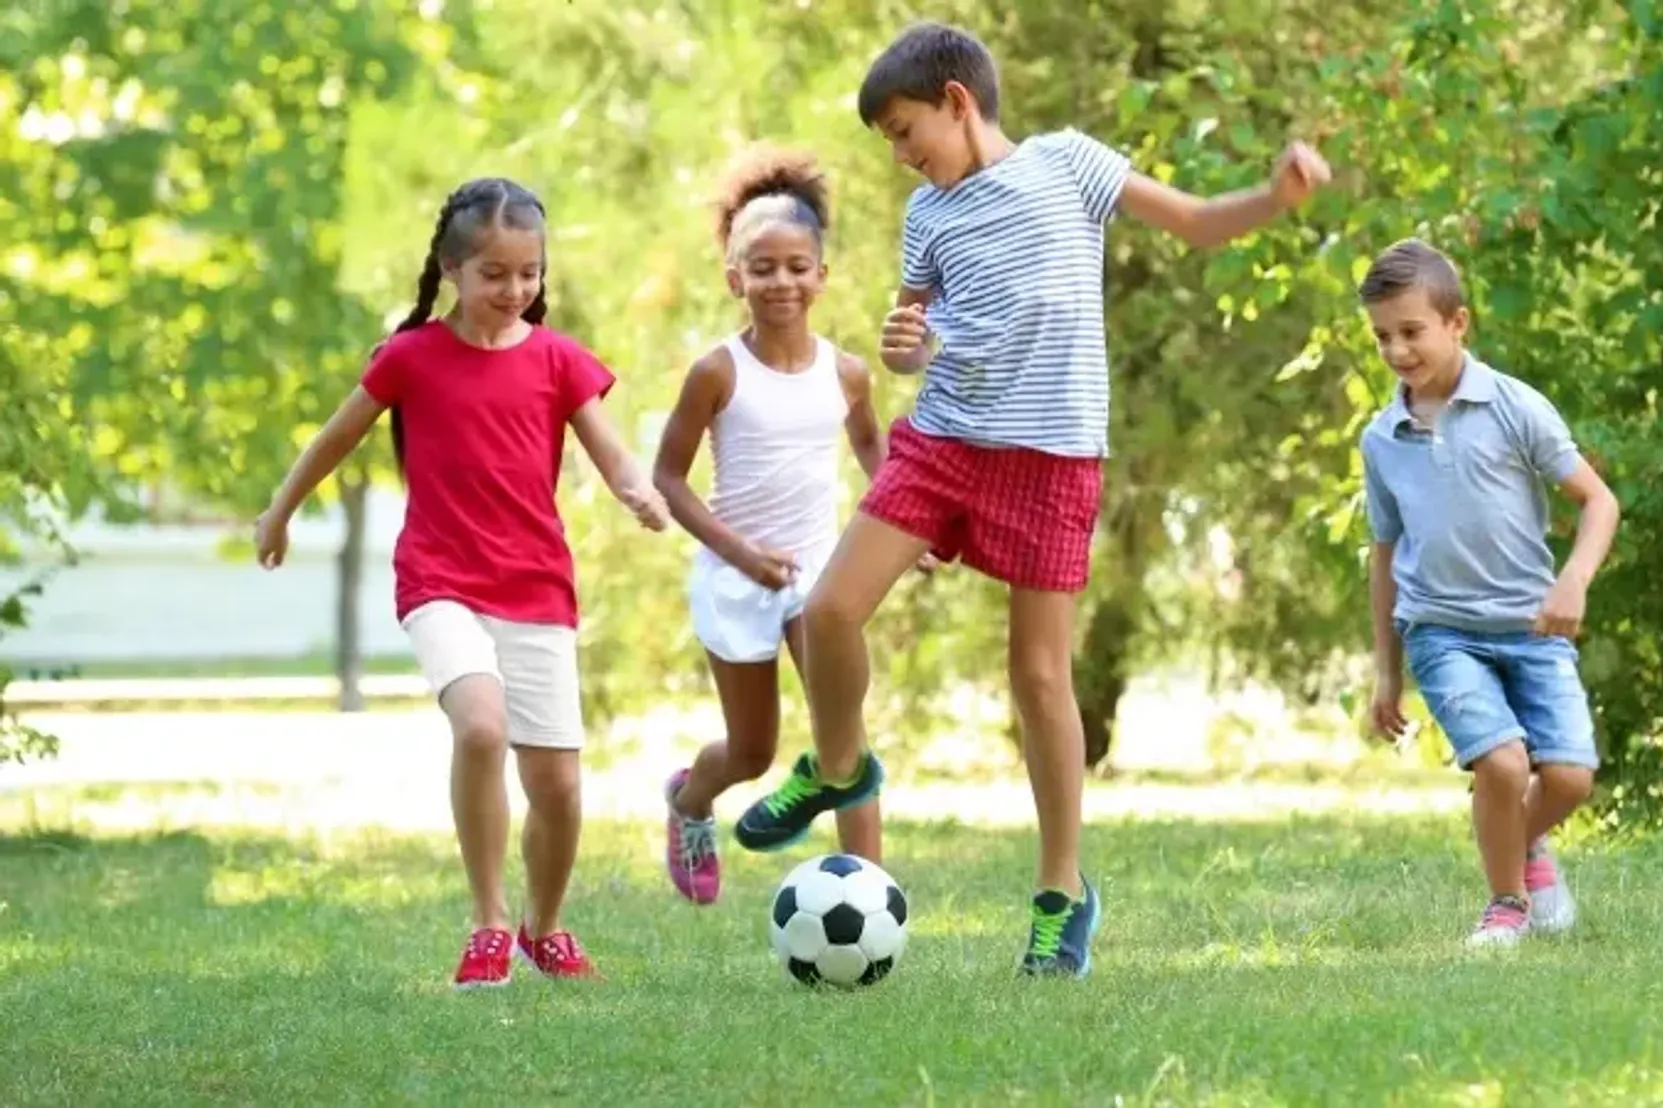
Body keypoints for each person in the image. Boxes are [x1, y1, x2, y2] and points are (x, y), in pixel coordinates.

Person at [728, 21, 1333, 978]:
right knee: (832, 609)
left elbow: (1191, 221)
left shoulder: (1069, 166)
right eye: (887, 139)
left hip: (1052, 460)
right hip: (944, 442)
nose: (899, 155)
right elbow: (925, 335)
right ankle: (836, 766)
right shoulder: (928, 216)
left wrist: (1273, 197)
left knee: (1040, 680)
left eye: (903, 129)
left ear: (958, 103)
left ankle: (1061, 895)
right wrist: (905, 350)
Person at [253, 177, 670, 988]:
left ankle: (541, 927)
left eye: (529, 274)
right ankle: (485, 923)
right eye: (495, 275)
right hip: (440, 577)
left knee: (557, 787)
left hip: (536, 585)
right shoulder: (411, 357)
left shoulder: (558, 359)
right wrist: (279, 511)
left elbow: (608, 448)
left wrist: (635, 489)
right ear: (451, 269)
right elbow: (334, 439)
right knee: (481, 728)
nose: (514, 291)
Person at [651, 146, 904, 905]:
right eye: (762, 268)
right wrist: (740, 552)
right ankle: (690, 801)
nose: (781, 282)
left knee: (843, 736)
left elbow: (869, 444)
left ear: (822, 275)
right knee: (755, 752)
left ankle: (871, 892)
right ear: (735, 279)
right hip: (736, 576)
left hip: (820, 578)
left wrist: (903, 522)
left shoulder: (848, 373)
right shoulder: (717, 373)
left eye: (798, 266)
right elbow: (669, 478)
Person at [1357, 238, 1621, 948]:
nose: (1397, 349)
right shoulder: (1381, 439)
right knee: (1502, 764)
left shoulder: (1513, 407)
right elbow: (1384, 557)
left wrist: (1574, 580)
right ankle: (1505, 903)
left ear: (1457, 323)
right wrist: (1387, 671)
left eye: (1411, 331)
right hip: (1441, 630)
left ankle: (1523, 847)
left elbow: (1598, 502)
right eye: (1383, 335)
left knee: (1569, 777)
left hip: (1533, 625)